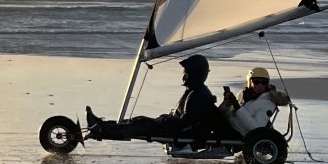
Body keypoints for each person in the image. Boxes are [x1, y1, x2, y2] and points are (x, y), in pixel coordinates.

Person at [84, 54, 224, 146]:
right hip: (173, 127)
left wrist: (166, 120)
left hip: (180, 133)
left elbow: (185, 124)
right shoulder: (195, 91)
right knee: (138, 120)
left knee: (141, 124)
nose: (183, 77)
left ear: (195, 74)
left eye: (186, 74)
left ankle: (101, 129)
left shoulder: (198, 95)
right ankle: (101, 125)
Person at [220, 65, 290, 134]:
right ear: (249, 82)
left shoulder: (268, 102)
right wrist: (226, 103)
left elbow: (256, 128)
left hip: (242, 134)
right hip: (231, 126)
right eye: (256, 82)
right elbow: (229, 115)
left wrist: (237, 107)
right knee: (214, 113)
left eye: (264, 83)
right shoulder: (243, 95)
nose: (260, 85)